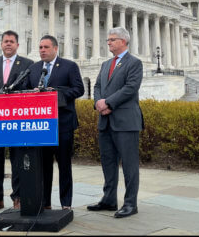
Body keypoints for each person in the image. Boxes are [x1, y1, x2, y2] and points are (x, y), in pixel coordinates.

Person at [87, 27, 143, 218]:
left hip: (126, 122)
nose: (109, 42)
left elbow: (130, 88)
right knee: (108, 163)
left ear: (123, 41)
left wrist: (109, 103)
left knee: (129, 165)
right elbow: (97, 87)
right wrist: (98, 103)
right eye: (108, 40)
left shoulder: (134, 63)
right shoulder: (105, 65)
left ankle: (130, 204)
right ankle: (109, 199)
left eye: (112, 39)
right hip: (105, 121)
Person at [26, 35, 84, 210]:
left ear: (55, 48)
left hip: (63, 124)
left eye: (46, 47)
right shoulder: (33, 68)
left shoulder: (69, 66)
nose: (42, 50)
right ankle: (45, 203)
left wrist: (56, 94)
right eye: (40, 47)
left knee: (64, 165)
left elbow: (79, 89)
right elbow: (26, 90)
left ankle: (66, 203)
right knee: (44, 167)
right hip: (42, 125)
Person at [0, 30, 33, 213]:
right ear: (1, 44)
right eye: (5, 41)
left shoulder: (27, 64)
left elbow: (31, 90)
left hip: (16, 121)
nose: (8, 44)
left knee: (17, 159)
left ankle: (17, 197)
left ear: (18, 44)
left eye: (11, 41)